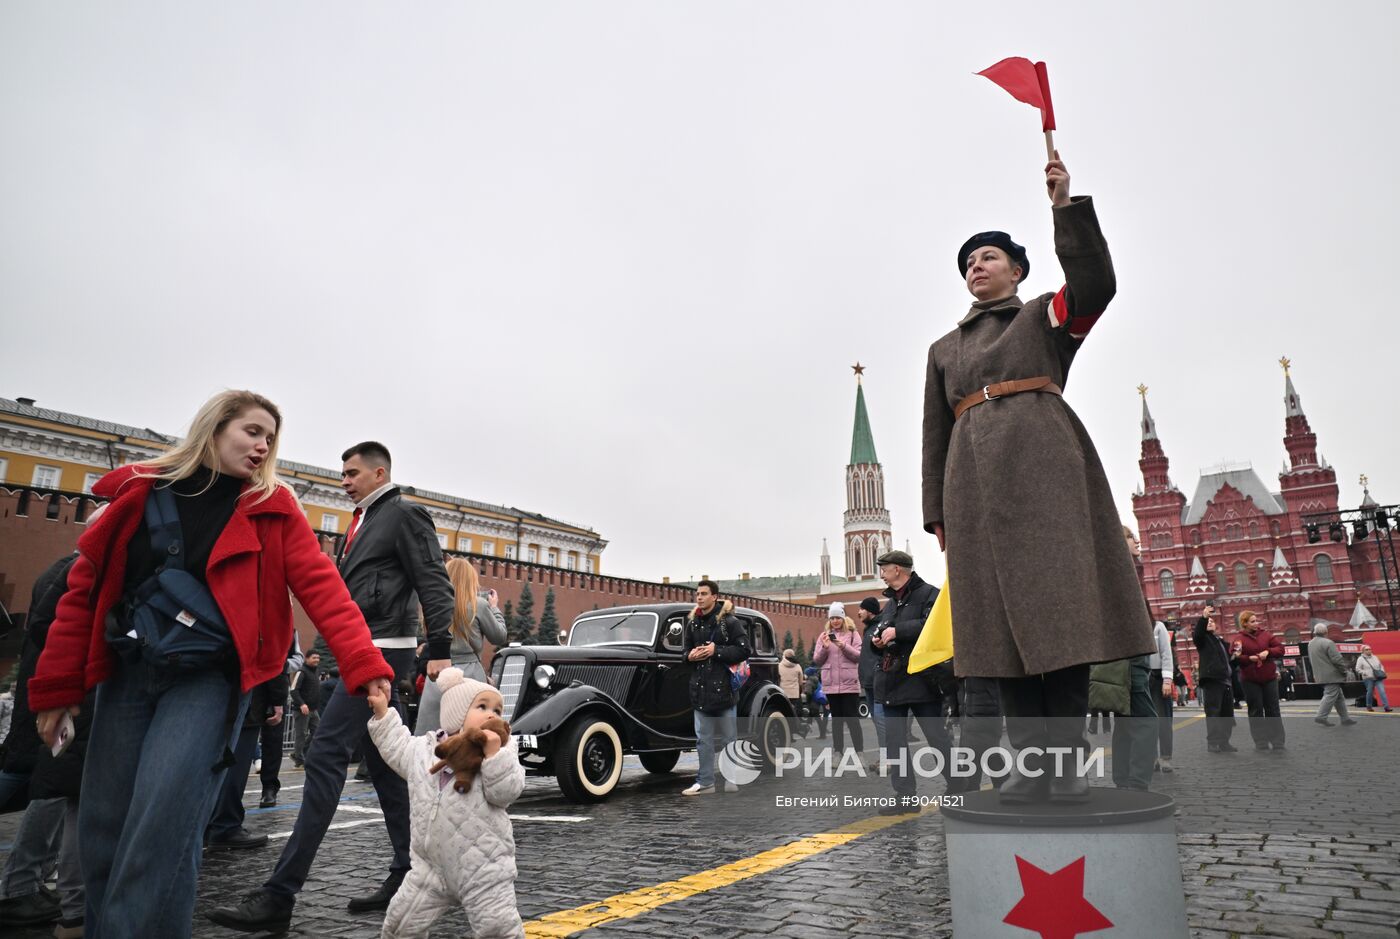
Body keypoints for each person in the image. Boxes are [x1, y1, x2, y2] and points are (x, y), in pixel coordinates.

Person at [29, 391, 393, 939]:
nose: (263, 444)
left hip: (207, 680)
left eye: (270, 437)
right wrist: (57, 689)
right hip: (128, 672)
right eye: (252, 431)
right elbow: (83, 590)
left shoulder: (273, 506)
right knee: (104, 826)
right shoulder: (139, 493)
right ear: (215, 428)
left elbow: (322, 587)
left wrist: (363, 663)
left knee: (162, 822)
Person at [920, 154, 1153, 804]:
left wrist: (1064, 207)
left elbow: (1096, 284)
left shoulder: (1044, 317)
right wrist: (937, 514)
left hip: (1047, 475)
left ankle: (1065, 768)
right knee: (996, 639)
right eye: (968, 262)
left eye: (988, 257)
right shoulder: (943, 349)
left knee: (1063, 625)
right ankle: (1028, 767)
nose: (976, 266)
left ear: (1016, 270)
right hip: (971, 491)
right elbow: (934, 432)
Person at [210, 440, 457, 932]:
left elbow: (433, 578)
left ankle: (280, 893)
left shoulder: (404, 515)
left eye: (351, 473)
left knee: (324, 756)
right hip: (359, 648)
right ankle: (410, 871)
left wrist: (440, 646)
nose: (344, 481)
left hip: (383, 650)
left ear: (379, 471)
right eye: (342, 474)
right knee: (389, 768)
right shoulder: (360, 524)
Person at [366, 668, 525, 938]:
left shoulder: (500, 753)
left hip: (484, 869)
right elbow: (397, 746)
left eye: (498, 711)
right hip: (429, 870)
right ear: (456, 713)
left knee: (498, 930)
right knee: (400, 925)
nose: (492, 715)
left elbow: (505, 792)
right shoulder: (424, 750)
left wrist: (494, 756)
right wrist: (383, 713)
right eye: (483, 706)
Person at [0, 538, 93, 933]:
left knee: (54, 789)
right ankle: (21, 887)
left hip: (52, 697)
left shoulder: (60, 569)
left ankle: (31, 883)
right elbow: (53, 630)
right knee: (52, 791)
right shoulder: (75, 572)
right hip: (62, 700)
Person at [870, 550, 953, 814]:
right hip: (893, 679)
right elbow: (885, 631)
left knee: (937, 738)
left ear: (898, 569)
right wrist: (878, 641)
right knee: (895, 742)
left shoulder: (930, 594)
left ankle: (959, 787)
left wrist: (899, 631)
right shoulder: (891, 602)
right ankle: (905, 797)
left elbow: (935, 626)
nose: (881, 574)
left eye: (884, 569)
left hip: (923, 680)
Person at [206, 649, 294, 849]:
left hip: (212, 691)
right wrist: (278, 699)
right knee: (235, 766)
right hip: (248, 697)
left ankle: (208, 824)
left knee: (213, 764)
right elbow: (274, 657)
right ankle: (225, 825)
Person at [416, 557, 508, 733]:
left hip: (438, 670)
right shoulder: (478, 605)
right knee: (468, 733)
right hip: (470, 674)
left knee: (430, 733)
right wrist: (494, 607)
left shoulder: (434, 604)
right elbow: (499, 636)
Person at [679, 581, 751, 796]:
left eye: (703, 594)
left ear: (715, 597)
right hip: (700, 691)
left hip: (725, 691)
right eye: (697, 594)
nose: (699, 597)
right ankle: (706, 782)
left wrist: (716, 650)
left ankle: (731, 778)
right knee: (703, 740)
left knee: (729, 739)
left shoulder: (729, 622)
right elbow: (684, 652)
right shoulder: (693, 623)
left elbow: (744, 650)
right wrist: (689, 656)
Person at [812, 604, 863, 758]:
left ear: (843, 618)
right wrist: (825, 648)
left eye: (838, 618)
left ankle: (859, 752)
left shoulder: (853, 634)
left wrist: (843, 646)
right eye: (832, 618)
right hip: (832, 686)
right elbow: (817, 660)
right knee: (837, 721)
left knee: (852, 719)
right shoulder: (824, 636)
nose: (835, 621)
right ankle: (837, 752)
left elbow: (858, 656)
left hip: (850, 685)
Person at [1234, 611, 1286, 750]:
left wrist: (1268, 652)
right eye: (1253, 621)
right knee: (1255, 711)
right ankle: (1261, 742)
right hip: (1250, 680)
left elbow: (1280, 649)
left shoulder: (1266, 635)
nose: (1256, 623)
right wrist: (1248, 659)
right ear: (1245, 623)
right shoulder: (1238, 639)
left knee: (1273, 710)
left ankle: (1278, 741)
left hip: (1269, 678)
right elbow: (1234, 657)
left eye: (1256, 620)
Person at [1192, 603, 1238, 753]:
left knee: (1227, 713)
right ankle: (1213, 742)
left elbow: (1228, 661)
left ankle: (1225, 742)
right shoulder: (1202, 639)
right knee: (1213, 712)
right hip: (1212, 680)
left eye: (1213, 621)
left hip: (1225, 680)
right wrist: (1204, 617)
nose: (1211, 622)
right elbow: (1197, 633)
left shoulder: (1220, 641)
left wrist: (1236, 656)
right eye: (1208, 621)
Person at [855, 597, 888, 755]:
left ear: (870, 611)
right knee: (876, 720)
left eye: (861, 609)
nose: (858, 612)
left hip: (878, 681)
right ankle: (886, 755)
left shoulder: (880, 627)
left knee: (881, 720)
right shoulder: (868, 629)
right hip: (868, 683)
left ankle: (888, 757)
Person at [1308, 624, 1357, 727]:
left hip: (1320, 675)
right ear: (1326, 632)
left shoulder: (1310, 644)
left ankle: (1345, 718)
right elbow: (1337, 659)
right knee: (1330, 695)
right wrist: (1344, 671)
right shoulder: (1328, 643)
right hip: (1332, 675)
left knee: (1339, 697)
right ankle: (1321, 717)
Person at [1150, 616, 1176, 773]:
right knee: (1146, 722)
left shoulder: (1158, 626)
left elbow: (1166, 653)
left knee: (1163, 720)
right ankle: (1152, 757)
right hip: (1140, 677)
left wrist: (1167, 680)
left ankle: (1165, 757)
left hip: (1158, 677)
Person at [290, 650, 324, 767]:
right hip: (302, 709)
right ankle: (299, 758)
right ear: (307, 658)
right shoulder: (301, 672)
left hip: (313, 709)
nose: (317, 660)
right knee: (301, 734)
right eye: (314, 658)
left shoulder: (316, 672)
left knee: (318, 732)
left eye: (318, 658)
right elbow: (293, 690)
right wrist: (301, 704)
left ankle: (298, 753)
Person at [1356, 645, 1391, 712]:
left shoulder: (1375, 657)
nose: (1369, 650)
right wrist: (1365, 673)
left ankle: (1386, 707)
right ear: (1363, 651)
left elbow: (1380, 665)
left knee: (1382, 692)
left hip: (1378, 678)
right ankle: (1369, 706)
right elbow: (1357, 669)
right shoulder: (1360, 659)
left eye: (1370, 649)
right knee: (1370, 692)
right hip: (1368, 678)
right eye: (1367, 649)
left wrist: (1382, 671)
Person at [777, 648, 803, 717]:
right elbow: (800, 682)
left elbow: (777, 680)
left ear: (784, 656)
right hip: (794, 694)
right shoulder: (798, 666)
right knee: (794, 713)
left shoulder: (779, 666)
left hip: (783, 693)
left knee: (784, 712)